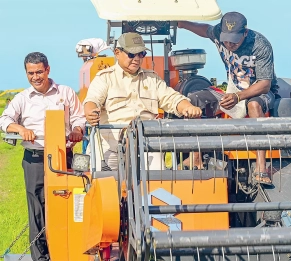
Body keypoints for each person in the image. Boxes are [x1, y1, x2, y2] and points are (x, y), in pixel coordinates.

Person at [0, 52, 86, 261]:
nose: (35, 77)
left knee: (69, 204)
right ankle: (41, 257)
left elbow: (79, 118)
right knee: (37, 209)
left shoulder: (65, 93)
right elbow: (5, 120)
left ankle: (68, 252)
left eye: (39, 71)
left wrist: (76, 130)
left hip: (62, 156)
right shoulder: (22, 98)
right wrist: (20, 129)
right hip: (35, 158)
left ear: (48, 70)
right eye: (31, 73)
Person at [178, 11, 279, 185]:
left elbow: (265, 84)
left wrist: (238, 97)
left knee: (254, 105)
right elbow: (205, 29)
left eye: (234, 40)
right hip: (233, 88)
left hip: (258, 91)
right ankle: (196, 158)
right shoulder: (217, 33)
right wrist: (182, 23)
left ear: (245, 33)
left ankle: (261, 167)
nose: (229, 44)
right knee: (194, 99)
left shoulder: (260, 45)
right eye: (225, 39)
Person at [83, 32, 202, 170]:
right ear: (117, 52)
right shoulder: (104, 78)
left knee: (159, 183)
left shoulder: (152, 79)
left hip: (146, 147)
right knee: (100, 182)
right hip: (110, 147)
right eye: (132, 54)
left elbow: (171, 98)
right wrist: (90, 112)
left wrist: (187, 106)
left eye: (141, 54)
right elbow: (92, 101)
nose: (137, 59)